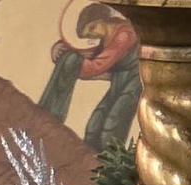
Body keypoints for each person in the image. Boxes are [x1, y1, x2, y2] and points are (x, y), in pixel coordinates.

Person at [38, 4, 140, 151]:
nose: (93, 37)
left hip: (135, 83)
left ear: (98, 22)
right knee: (94, 125)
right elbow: (90, 53)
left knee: (113, 124)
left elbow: (97, 65)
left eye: (91, 32)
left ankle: (108, 163)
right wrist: (61, 48)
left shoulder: (124, 35)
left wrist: (73, 63)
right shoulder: (109, 36)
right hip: (119, 82)